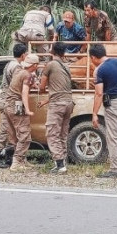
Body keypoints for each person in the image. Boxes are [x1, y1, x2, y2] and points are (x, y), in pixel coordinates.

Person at [90, 43, 117, 178]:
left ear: (93, 57)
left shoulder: (99, 70)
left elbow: (99, 94)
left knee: (114, 137)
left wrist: (95, 113)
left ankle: (115, 169)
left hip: (114, 103)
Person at [39, 42, 75, 174]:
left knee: (52, 133)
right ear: (64, 53)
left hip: (57, 104)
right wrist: (46, 100)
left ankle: (60, 164)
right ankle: (63, 161)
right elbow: (60, 88)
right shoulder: (66, 66)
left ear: (52, 51)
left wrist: (41, 90)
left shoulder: (50, 65)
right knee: (62, 133)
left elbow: (42, 87)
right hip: (68, 102)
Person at [0, 44, 25, 169]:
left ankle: (9, 157)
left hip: (6, 100)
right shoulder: (16, 67)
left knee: (11, 131)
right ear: (23, 54)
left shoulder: (10, 64)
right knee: (4, 130)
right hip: (9, 101)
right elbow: (17, 85)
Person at [4, 53, 39, 171]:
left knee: (15, 135)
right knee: (25, 135)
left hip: (8, 105)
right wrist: (28, 110)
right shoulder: (27, 75)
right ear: (34, 65)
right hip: (17, 106)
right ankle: (17, 162)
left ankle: (22, 159)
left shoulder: (19, 72)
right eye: (37, 64)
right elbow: (24, 93)